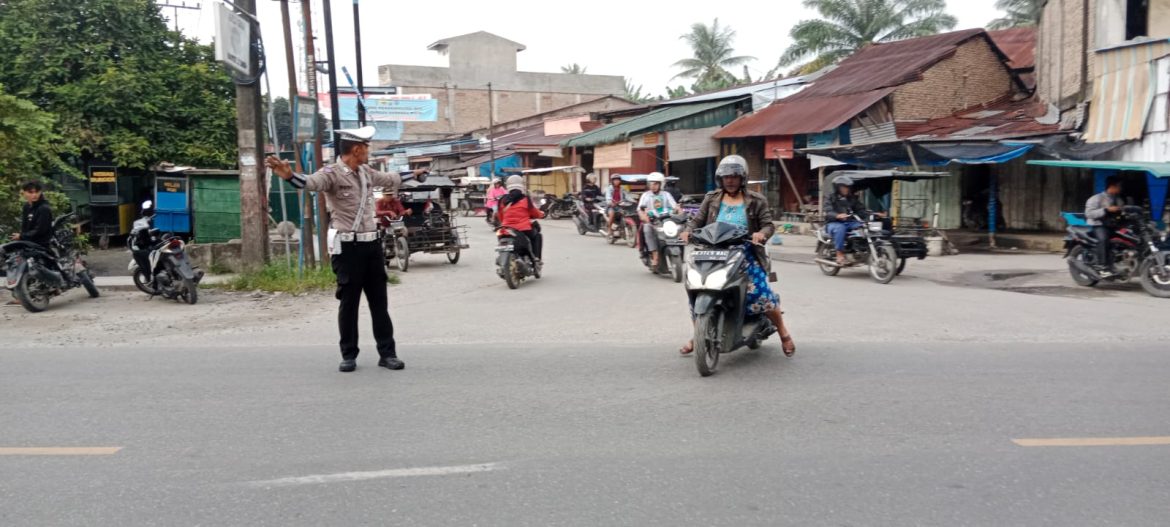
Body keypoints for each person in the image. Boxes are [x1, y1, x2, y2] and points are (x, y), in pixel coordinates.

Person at [265, 126, 427, 373]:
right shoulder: (331, 173)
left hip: (371, 245)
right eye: (366, 148)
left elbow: (390, 179)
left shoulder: (366, 172)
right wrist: (288, 176)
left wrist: (414, 173)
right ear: (357, 149)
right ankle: (349, 354)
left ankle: (387, 353)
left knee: (379, 303)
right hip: (347, 248)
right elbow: (309, 183)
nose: (368, 152)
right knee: (349, 304)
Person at [680, 155, 795, 357]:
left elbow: (768, 224)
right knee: (697, 288)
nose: (730, 180)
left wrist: (761, 234)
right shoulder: (712, 198)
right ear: (720, 179)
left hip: (744, 251)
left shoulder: (756, 200)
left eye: (734, 176)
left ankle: (783, 333)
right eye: (726, 177)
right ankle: (699, 333)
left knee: (760, 293)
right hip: (712, 250)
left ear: (742, 178)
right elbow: (696, 221)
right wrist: (687, 231)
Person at [823, 175, 884, 266]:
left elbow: (861, 210)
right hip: (833, 223)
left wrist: (874, 214)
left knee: (864, 226)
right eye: (843, 187)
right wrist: (837, 215)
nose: (846, 189)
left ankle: (860, 249)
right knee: (840, 228)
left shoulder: (852, 199)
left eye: (847, 187)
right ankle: (839, 253)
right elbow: (828, 210)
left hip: (849, 222)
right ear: (837, 187)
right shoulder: (830, 198)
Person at [496, 175, 544, 261]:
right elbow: (534, 213)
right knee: (537, 236)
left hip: (505, 229)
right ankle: (536, 258)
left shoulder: (501, 200)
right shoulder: (525, 199)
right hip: (523, 229)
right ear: (522, 185)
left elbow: (500, 216)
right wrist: (541, 214)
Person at [637, 172, 679, 269]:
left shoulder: (666, 195)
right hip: (652, 221)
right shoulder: (645, 195)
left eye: (655, 184)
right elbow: (640, 209)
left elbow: (675, 206)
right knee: (647, 229)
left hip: (667, 221)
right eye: (651, 184)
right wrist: (644, 217)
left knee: (678, 229)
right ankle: (654, 254)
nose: (653, 186)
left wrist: (680, 212)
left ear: (661, 184)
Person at [1085, 175, 1124, 275]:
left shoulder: (1119, 200)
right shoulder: (1096, 198)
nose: (1121, 188)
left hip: (1113, 226)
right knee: (1103, 239)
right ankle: (1102, 266)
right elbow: (1089, 214)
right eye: (1119, 186)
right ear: (1112, 186)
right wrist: (1106, 210)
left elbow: (1123, 211)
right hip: (1098, 225)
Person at [11, 180, 53, 247]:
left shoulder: (44, 208)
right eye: (30, 192)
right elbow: (24, 227)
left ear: (40, 192)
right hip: (26, 243)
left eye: (37, 192)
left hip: (40, 246)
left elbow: (40, 230)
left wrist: (21, 236)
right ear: (24, 192)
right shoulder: (26, 206)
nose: (34, 195)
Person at [603, 173, 630, 238]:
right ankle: (609, 229)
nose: (616, 181)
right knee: (612, 214)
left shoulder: (622, 189)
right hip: (611, 206)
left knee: (627, 213)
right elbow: (608, 197)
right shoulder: (609, 189)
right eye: (615, 180)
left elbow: (627, 196)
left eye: (618, 180)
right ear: (612, 181)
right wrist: (610, 202)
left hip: (620, 206)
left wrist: (634, 200)